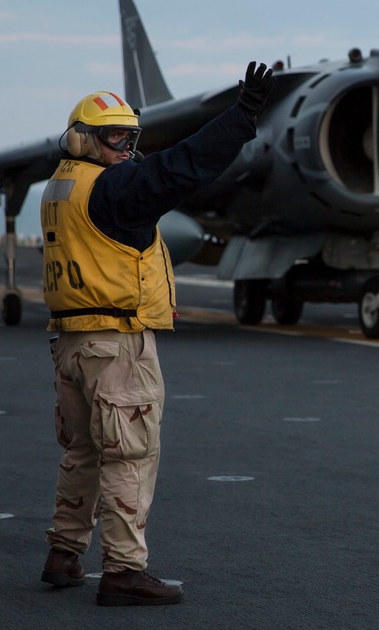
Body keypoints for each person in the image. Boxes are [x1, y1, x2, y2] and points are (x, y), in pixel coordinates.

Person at [38, 61, 274, 606]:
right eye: (115, 136)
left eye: (130, 136)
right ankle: (123, 572)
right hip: (115, 344)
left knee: (84, 452)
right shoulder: (113, 190)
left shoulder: (60, 188)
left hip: (71, 344)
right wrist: (240, 117)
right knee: (129, 454)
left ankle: (63, 552)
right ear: (84, 139)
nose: (126, 146)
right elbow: (182, 167)